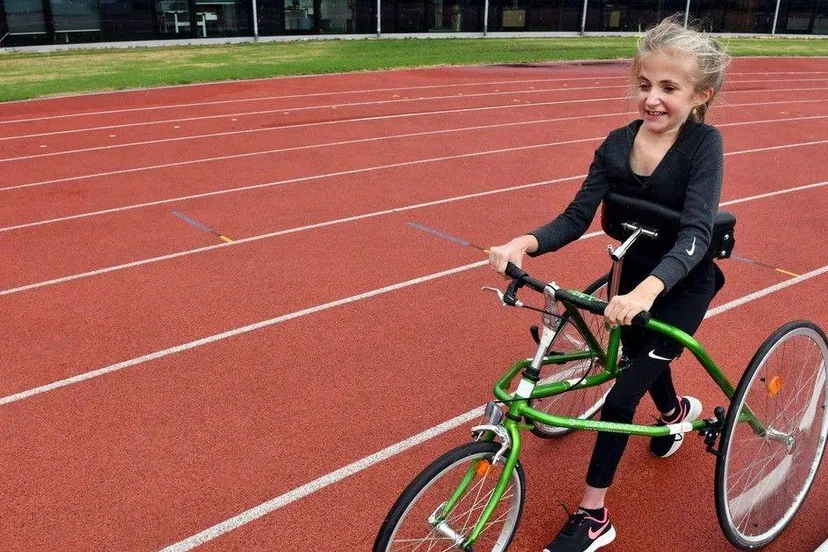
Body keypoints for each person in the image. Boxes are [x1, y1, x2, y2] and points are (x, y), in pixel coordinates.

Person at [487, 17, 731, 552]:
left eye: (669, 88)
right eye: (645, 85)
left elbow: (695, 235)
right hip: (627, 278)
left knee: (622, 392)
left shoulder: (703, 147)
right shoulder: (617, 144)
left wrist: (650, 291)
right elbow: (575, 218)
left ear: (700, 95)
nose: (653, 99)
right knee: (639, 359)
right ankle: (674, 415)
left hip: (680, 285)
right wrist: (522, 243)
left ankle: (594, 517)